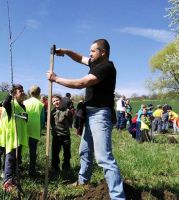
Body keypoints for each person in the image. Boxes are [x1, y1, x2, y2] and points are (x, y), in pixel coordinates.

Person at [46, 39, 125, 199]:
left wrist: (57, 79)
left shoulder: (106, 67)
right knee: (85, 151)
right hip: (90, 114)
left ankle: (118, 196)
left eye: (93, 51)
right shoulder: (95, 64)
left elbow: (82, 83)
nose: (89, 54)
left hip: (100, 114)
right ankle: (83, 181)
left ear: (102, 52)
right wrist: (66, 52)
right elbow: (80, 57)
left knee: (104, 157)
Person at [0, 84, 28, 192]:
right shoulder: (11, 104)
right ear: (14, 94)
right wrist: (9, 94)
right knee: (10, 159)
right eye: (20, 91)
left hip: (20, 136)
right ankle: (7, 182)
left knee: (17, 159)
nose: (23, 92)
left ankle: (14, 178)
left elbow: (24, 119)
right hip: (12, 137)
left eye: (23, 90)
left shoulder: (23, 106)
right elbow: (5, 103)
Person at [24, 85, 45, 176]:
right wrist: (41, 127)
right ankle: (31, 171)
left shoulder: (24, 102)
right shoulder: (41, 104)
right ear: (39, 93)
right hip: (35, 130)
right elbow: (43, 119)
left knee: (20, 149)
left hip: (24, 128)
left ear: (29, 92)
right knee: (33, 151)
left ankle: (17, 167)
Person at [50, 95, 73, 173]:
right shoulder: (52, 112)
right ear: (52, 103)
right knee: (55, 153)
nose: (56, 102)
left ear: (61, 101)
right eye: (54, 101)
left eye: (57, 100)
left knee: (67, 153)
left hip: (65, 135)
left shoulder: (66, 111)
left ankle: (66, 168)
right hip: (56, 136)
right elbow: (51, 123)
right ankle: (55, 168)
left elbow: (70, 121)